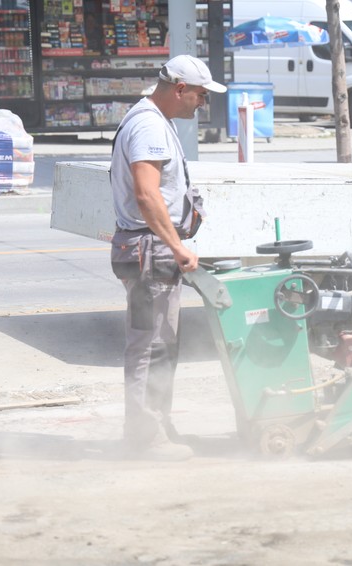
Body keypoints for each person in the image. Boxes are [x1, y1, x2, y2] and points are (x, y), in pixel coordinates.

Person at [109, 55, 226, 461]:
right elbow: (146, 193)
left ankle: (155, 425)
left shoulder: (155, 121)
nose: (202, 103)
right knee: (151, 345)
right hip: (149, 250)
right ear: (180, 89)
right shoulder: (148, 126)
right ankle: (144, 439)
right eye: (200, 94)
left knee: (162, 344)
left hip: (149, 248)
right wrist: (177, 246)